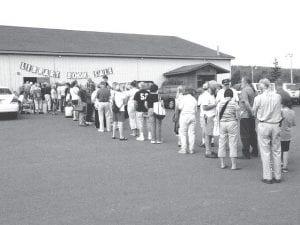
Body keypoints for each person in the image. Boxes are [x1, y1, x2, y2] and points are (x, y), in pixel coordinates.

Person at [252, 78, 282, 184]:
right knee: (277, 151)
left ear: (261, 87)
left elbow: (253, 112)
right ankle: (278, 176)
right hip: (276, 124)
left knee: (265, 152)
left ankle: (268, 176)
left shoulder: (258, 98)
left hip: (264, 124)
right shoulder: (278, 97)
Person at [217, 89, 240, 170]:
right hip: (232, 123)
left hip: (222, 123)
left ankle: (222, 164)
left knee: (222, 143)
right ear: (232, 95)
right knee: (232, 143)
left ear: (224, 95)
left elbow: (218, 115)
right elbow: (237, 116)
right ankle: (233, 165)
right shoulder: (234, 103)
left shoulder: (220, 104)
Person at [239, 77, 258, 159]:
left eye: (241, 81)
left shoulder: (245, 90)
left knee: (244, 135)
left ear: (245, 82)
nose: (241, 83)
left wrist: (250, 113)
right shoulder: (253, 90)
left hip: (246, 115)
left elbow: (246, 103)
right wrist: (253, 113)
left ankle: (246, 153)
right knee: (252, 134)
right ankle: (255, 151)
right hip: (252, 116)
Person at [177, 88, 197, 154]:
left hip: (184, 116)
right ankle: (191, 149)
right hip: (192, 116)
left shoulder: (183, 98)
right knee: (192, 133)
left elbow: (180, 107)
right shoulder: (194, 99)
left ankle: (184, 149)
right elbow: (196, 110)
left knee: (183, 133)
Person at [202, 82, 218, 158]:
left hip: (212, 116)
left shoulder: (212, 95)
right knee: (208, 134)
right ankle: (208, 151)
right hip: (209, 116)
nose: (216, 90)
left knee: (210, 134)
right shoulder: (206, 95)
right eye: (214, 88)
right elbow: (204, 107)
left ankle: (209, 150)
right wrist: (215, 105)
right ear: (210, 88)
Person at [280, 98, 296, 173]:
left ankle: (280, 163)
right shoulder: (292, 112)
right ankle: (285, 167)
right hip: (287, 133)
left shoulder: (280, 111)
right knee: (286, 150)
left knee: (278, 149)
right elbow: (293, 124)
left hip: (279, 132)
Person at [197, 82, 209, 147]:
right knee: (210, 127)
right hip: (210, 114)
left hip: (203, 114)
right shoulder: (211, 95)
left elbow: (198, 104)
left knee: (204, 129)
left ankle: (204, 142)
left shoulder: (201, 96)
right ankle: (211, 141)